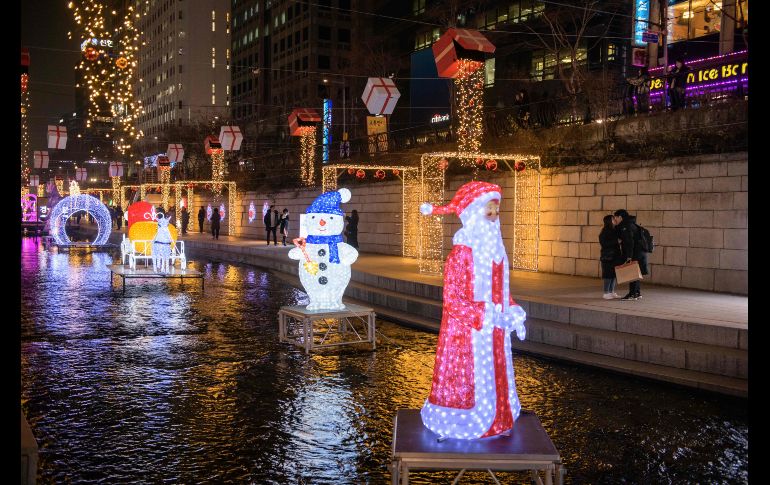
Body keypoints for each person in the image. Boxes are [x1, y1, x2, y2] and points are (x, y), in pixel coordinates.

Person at [418, 181, 527, 440]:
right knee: (472, 381)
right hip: (468, 334)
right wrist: (486, 315)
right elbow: (452, 299)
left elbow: (501, 290)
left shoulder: (497, 253)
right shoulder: (461, 254)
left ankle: (501, 415)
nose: (492, 217)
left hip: (496, 334)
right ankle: (466, 421)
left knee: (497, 372)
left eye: (495, 211)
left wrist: (513, 309)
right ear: (472, 213)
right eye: (487, 211)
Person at [613, 209, 648, 300]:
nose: (615, 219)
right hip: (639, 252)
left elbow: (630, 242)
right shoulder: (631, 224)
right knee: (635, 273)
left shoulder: (626, 226)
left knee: (632, 273)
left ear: (620, 217)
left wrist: (629, 256)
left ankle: (633, 294)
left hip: (635, 252)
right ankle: (637, 293)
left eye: (616, 218)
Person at [599, 214, 623, 299]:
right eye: (613, 219)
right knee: (608, 275)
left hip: (615, 256)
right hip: (608, 257)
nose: (615, 220)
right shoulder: (605, 231)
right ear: (609, 221)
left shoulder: (614, 230)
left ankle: (611, 291)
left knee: (614, 275)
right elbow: (604, 244)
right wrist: (616, 241)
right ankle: (606, 293)